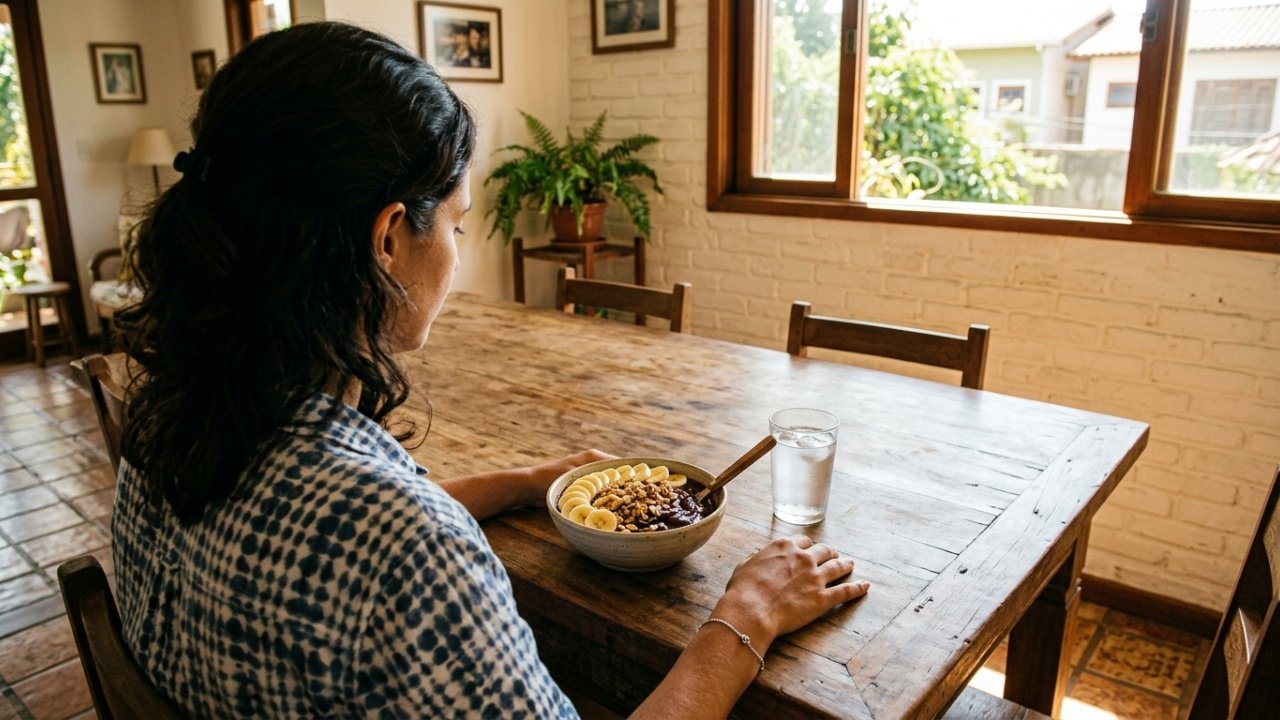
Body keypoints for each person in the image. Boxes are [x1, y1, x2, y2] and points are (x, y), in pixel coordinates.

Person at [112, 21, 869, 719]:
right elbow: (389, 535)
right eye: (458, 223)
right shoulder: (408, 548)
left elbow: (333, 529)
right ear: (388, 240)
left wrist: (523, 482)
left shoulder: (166, 424)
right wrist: (745, 617)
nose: (457, 250)